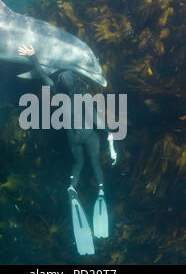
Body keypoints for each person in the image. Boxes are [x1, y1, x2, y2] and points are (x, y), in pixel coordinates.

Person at [18, 45, 116, 255]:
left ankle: (72, 187)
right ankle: (100, 189)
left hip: (72, 137)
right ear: (77, 83)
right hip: (89, 135)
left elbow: (43, 76)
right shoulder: (85, 97)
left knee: (78, 163)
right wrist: (110, 137)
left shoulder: (58, 94)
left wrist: (33, 56)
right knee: (95, 163)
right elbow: (98, 121)